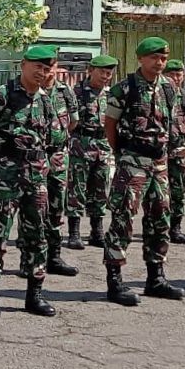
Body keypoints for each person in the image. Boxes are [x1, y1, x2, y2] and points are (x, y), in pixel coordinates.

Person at [0, 44, 62, 319]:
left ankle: (34, 294)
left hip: (36, 179)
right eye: (37, 66)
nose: (42, 72)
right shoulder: (1, 96)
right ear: (23, 65)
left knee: (37, 236)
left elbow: (54, 140)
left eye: (46, 68)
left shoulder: (46, 101)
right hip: (7, 178)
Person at [103, 37, 184, 307]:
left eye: (163, 58)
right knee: (123, 219)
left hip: (159, 164)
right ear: (141, 59)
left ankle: (156, 278)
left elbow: (173, 123)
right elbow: (110, 126)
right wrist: (123, 155)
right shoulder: (123, 89)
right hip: (132, 161)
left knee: (160, 219)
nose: (159, 63)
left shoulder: (170, 89)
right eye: (154, 58)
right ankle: (115, 281)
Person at [65, 54, 118, 249]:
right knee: (77, 188)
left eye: (109, 73)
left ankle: (97, 231)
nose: (105, 76)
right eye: (102, 72)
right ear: (91, 70)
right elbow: (68, 121)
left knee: (100, 188)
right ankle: (74, 233)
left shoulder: (111, 94)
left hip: (102, 145)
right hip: (81, 144)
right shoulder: (75, 92)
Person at [40, 57, 78, 276]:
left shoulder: (65, 92)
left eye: (52, 67)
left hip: (58, 156)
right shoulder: (28, 90)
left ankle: (53, 257)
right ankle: (29, 260)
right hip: (33, 158)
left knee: (56, 208)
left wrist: (58, 137)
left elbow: (73, 121)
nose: (49, 72)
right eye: (45, 67)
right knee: (34, 210)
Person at [163, 59, 185, 244]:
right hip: (158, 152)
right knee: (156, 194)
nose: (175, 78)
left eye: (179, 75)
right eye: (171, 75)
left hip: (177, 152)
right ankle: (157, 227)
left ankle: (175, 228)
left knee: (178, 191)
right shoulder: (157, 94)